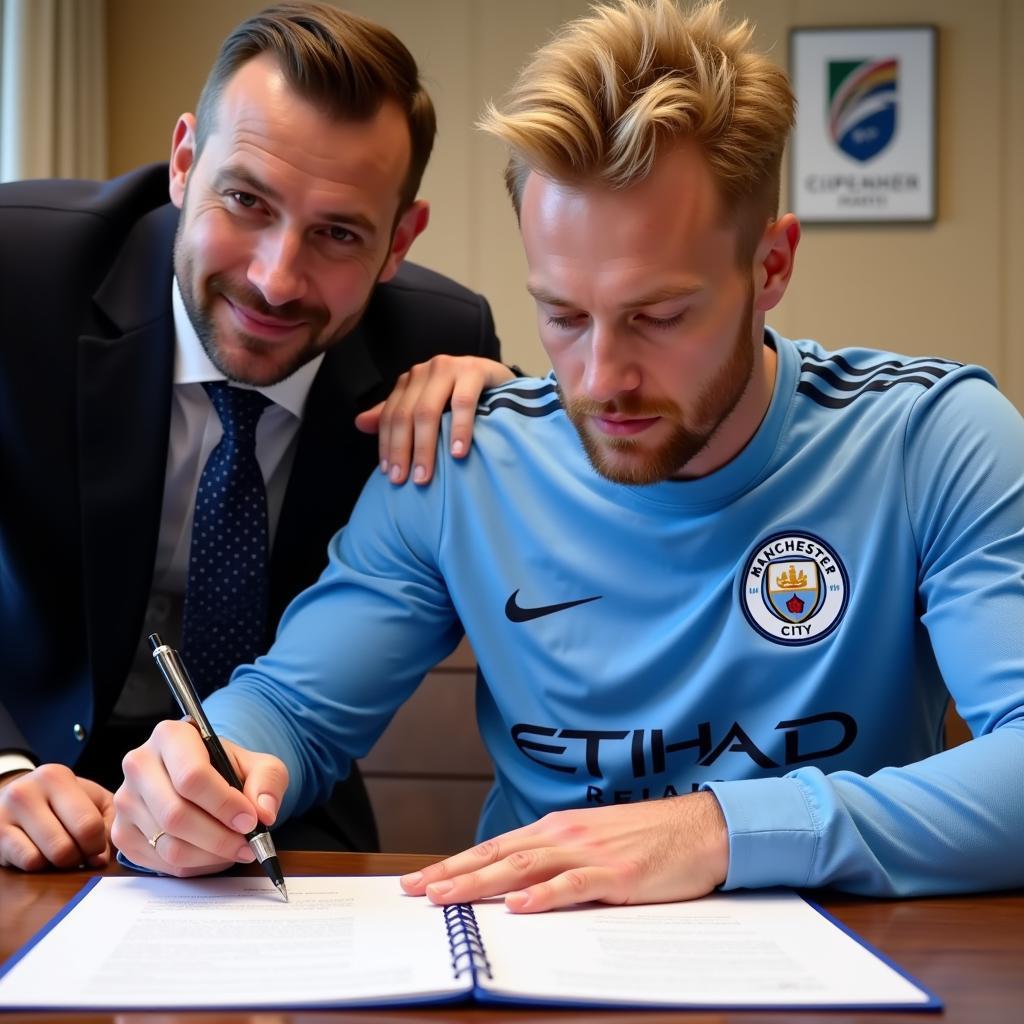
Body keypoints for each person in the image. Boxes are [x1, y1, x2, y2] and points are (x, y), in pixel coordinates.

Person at [113, 0, 1024, 907]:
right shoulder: (461, 458)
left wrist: (717, 828)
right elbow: (293, 712)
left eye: (658, 317)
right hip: (523, 965)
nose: (601, 379)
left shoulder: (934, 439)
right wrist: (204, 762)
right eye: (562, 315)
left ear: (771, 267)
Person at [0, 1, 516, 872]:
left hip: (272, 799)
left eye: (339, 233)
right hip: (27, 778)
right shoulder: (19, 270)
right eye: (245, 200)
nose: (276, 279)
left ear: (399, 242)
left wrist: (515, 435)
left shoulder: (437, 347)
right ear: (182, 162)